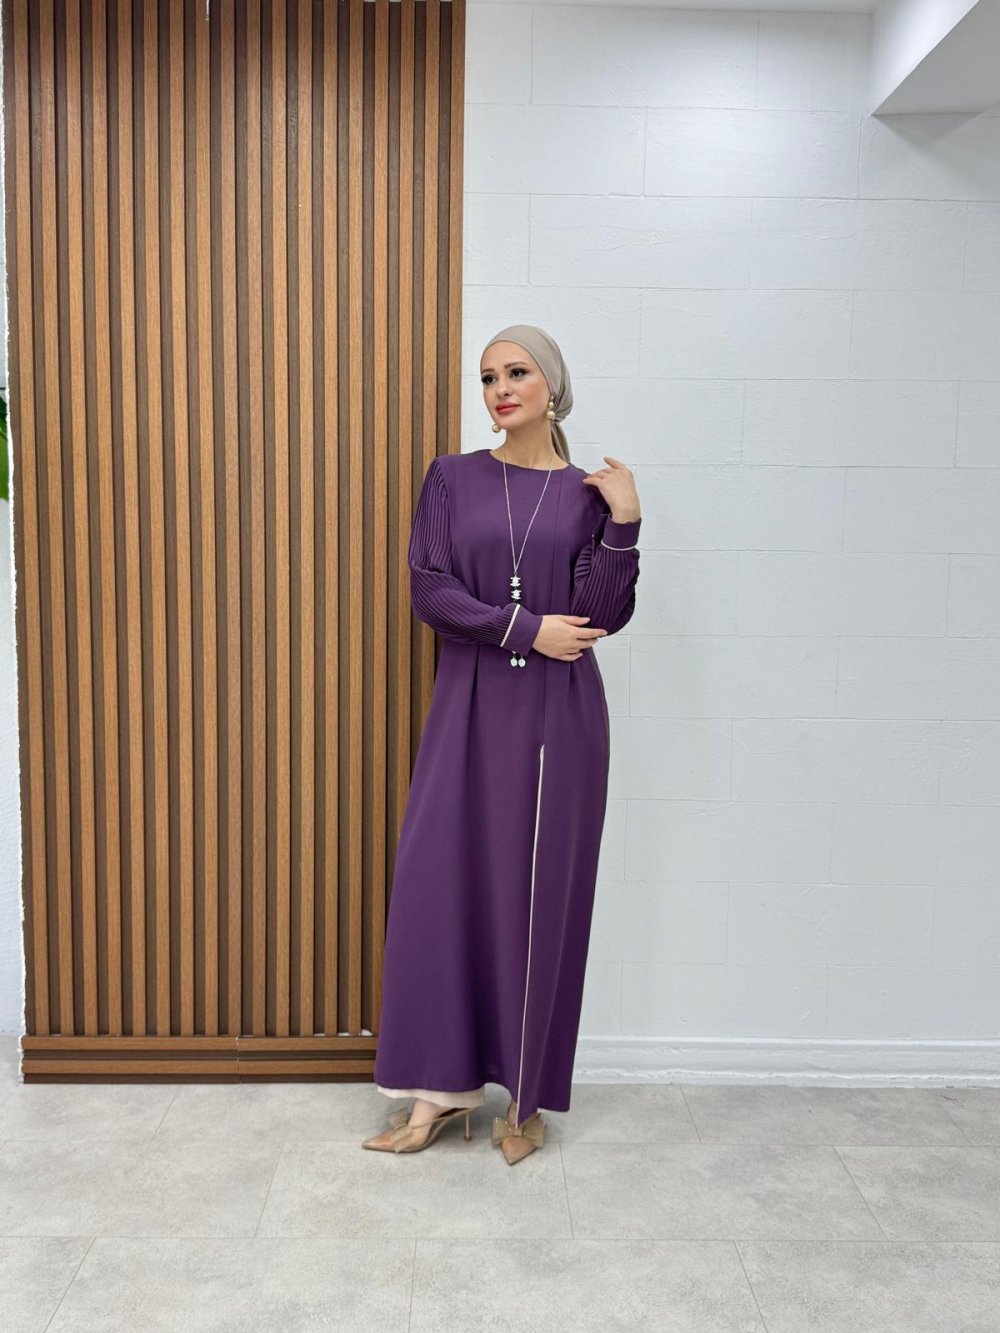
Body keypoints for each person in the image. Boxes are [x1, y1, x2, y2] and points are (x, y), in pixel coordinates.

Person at [361, 324, 643, 1164]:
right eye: (488, 377)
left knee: (539, 895)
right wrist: (523, 627)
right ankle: (438, 1091)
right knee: (440, 883)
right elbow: (429, 588)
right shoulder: (452, 478)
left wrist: (626, 522)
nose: (500, 388)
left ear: (552, 385)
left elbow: (602, 614)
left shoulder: (589, 496)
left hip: (560, 714)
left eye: (517, 372)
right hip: (469, 704)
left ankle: (526, 1095)